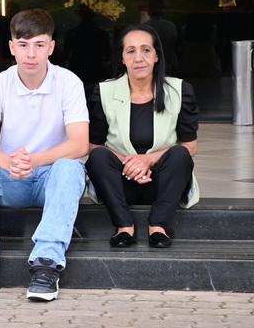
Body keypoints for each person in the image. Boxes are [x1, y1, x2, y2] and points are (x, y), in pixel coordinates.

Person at [0, 8, 89, 303]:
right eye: (23, 44)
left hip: (51, 178)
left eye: (39, 45)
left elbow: (80, 144)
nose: (31, 54)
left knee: (70, 168)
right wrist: (8, 163)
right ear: (11, 47)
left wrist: (34, 161)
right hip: (11, 177)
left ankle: (46, 263)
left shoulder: (69, 82)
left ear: (51, 47)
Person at [85, 24, 199, 249]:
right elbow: (92, 145)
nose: (139, 58)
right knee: (98, 156)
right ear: (122, 58)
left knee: (180, 154)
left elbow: (190, 146)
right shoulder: (104, 92)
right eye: (131, 51)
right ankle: (124, 227)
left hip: (162, 182)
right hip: (120, 182)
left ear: (156, 56)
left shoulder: (179, 90)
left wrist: (148, 160)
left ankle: (158, 227)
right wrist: (131, 164)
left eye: (146, 50)